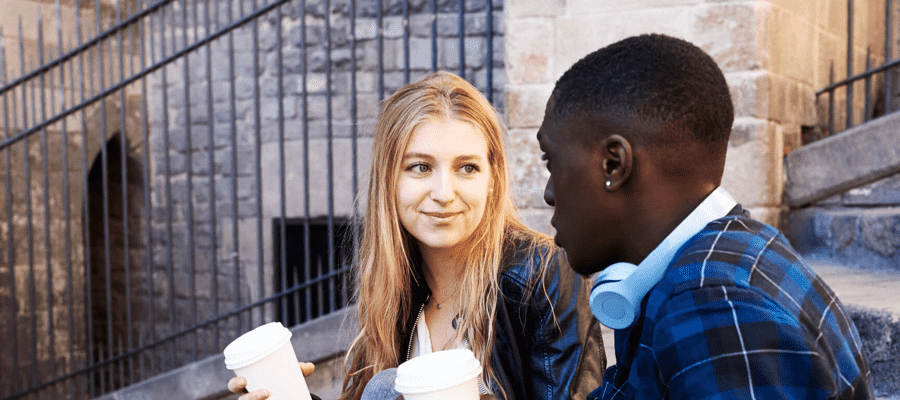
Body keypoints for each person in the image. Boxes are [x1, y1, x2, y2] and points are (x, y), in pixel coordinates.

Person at [229, 71, 605, 400]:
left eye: (467, 168)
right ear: (389, 180)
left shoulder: (542, 274)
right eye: (421, 167)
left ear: (492, 180)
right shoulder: (395, 291)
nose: (444, 192)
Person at [536, 33, 874, 399]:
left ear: (614, 164)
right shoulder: (697, 265)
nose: (549, 193)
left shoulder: (712, 303)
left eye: (550, 162)